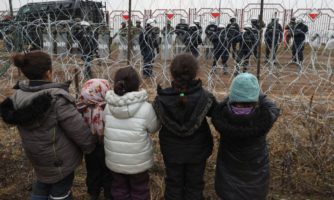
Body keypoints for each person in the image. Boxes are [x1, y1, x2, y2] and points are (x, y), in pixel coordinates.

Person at [0, 51, 96, 200]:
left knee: (43, 182)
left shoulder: (17, 96)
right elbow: (78, 130)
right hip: (60, 160)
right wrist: (90, 146)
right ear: (49, 72)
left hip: (37, 156)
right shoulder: (57, 99)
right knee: (60, 191)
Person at [153, 53, 216, 200]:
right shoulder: (205, 97)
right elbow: (218, 115)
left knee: (173, 184)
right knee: (195, 185)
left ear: (172, 73)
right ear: (195, 73)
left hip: (172, 151)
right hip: (198, 151)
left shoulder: (161, 99)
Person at [211, 72, 280, 200]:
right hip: (256, 186)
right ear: (255, 99)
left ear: (232, 95)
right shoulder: (263, 118)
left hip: (227, 185)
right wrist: (258, 95)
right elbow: (273, 108)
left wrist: (231, 97)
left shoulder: (222, 117)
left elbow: (220, 106)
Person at [103, 66, 160, 200]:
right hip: (138, 163)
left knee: (119, 189)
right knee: (140, 190)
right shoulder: (146, 108)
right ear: (137, 84)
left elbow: (104, 122)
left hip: (115, 161)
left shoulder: (108, 106)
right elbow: (154, 128)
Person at [77, 79, 113, 200]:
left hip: (89, 145)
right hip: (107, 145)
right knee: (108, 171)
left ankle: (93, 193)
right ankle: (108, 193)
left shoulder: (82, 107)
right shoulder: (109, 108)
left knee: (92, 170)